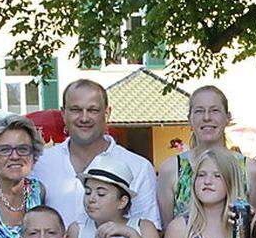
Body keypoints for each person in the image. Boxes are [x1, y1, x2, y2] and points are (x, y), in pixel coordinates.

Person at [33, 79, 162, 230]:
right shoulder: (40, 164)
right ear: (63, 114)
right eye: (76, 109)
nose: (84, 118)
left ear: (107, 113)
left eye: (93, 110)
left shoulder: (138, 167)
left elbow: (149, 232)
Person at [155, 85, 256, 225]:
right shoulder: (171, 169)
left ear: (227, 117)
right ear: (190, 118)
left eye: (214, 110)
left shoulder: (249, 170)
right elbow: (166, 229)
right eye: (199, 111)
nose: (207, 117)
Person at [68, 155, 163, 238]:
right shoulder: (78, 230)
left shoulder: (143, 228)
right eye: (88, 192)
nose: (91, 199)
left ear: (122, 202)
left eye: (101, 194)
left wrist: (131, 234)